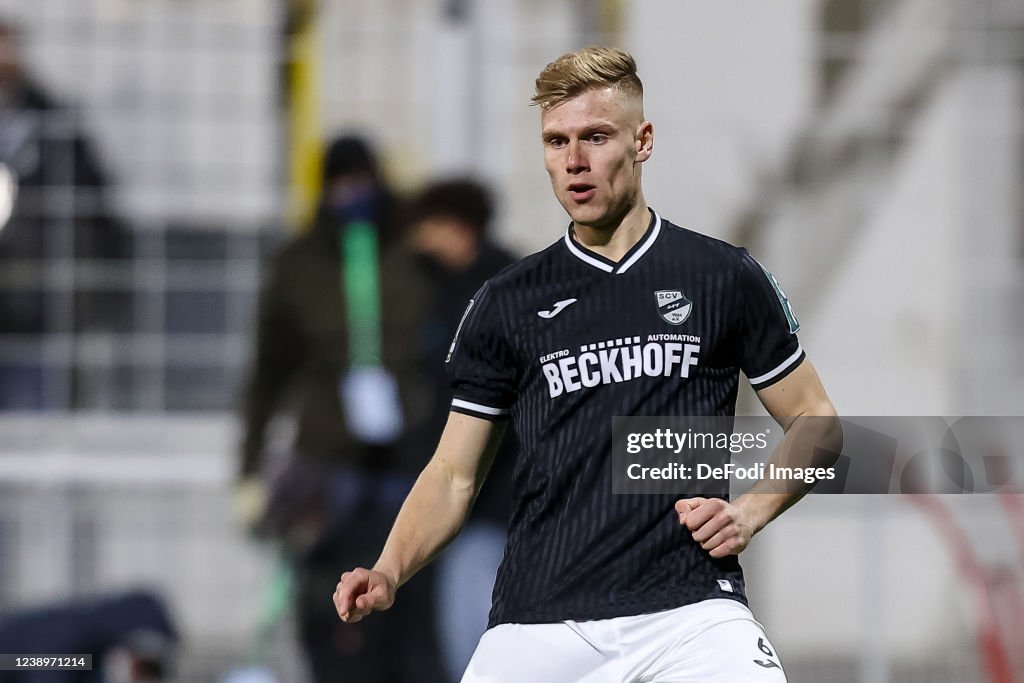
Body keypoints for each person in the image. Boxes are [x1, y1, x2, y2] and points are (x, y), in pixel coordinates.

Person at [333, 47, 841, 682]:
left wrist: (750, 510)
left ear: (643, 140)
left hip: (690, 613)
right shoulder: (506, 301)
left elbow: (817, 422)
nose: (573, 161)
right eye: (555, 142)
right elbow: (454, 475)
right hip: (540, 620)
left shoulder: (721, 276)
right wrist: (388, 569)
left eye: (595, 137)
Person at [237, 134, 446, 683]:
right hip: (327, 463)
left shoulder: (409, 252)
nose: (353, 194)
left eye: (362, 181)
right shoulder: (298, 265)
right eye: (341, 184)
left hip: (405, 461)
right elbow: (268, 373)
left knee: (408, 607)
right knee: (324, 606)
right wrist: (249, 467)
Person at [403, 179, 517, 678]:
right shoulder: (450, 288)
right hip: (474, 500)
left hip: (491, 501)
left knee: (474, 640)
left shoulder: (494, 293)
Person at [0, 18, 128, 409]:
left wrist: (93, 286)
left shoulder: (53, 123)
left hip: (41, 304)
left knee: (39, 414)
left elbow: (93, 204)